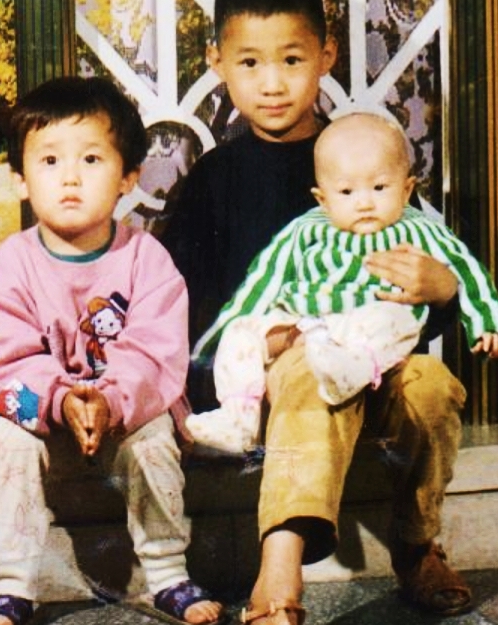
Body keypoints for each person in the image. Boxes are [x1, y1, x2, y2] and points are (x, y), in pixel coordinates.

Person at [160, 0, 471, 625]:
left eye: (292, 59)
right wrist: (230, 364)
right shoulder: (214, 181)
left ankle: (416, 543)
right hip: (279, 387)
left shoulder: (362, 156)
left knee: (432, 387)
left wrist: (442, 290)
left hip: (376, 369)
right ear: (217, 63)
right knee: (305, 367)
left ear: (326, 55)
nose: (272, 83)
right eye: (250, 62)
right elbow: (182, 309)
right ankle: (277, 592)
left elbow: (424, 279)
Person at [0, 76, 224, 625]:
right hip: (42, 417)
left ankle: (167, 572)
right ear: (19, 178)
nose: (70, 178)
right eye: (49, 160)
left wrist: (107, 399)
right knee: (9, 442)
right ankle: (12, 582)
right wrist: (62, 399)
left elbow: (156, 350)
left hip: (123, 414)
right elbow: (2, 354)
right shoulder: (11, 264)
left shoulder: (146, 258)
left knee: (155, 438)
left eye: (91, 159)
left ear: (128, 175)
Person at [186, 112, 498, 454]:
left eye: (379, 188)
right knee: (242, 333)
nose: (364, 203)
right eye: (347, 192)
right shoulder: (306, 228)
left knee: (392, 320)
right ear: (323, 198)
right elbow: (264, 281)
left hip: (373, 325)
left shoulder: (418, 228)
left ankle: (350, 368)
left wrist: (487, 322)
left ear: (407, 189)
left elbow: (468, 270)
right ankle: (238, 418)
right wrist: (225, 334)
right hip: (307, 327)